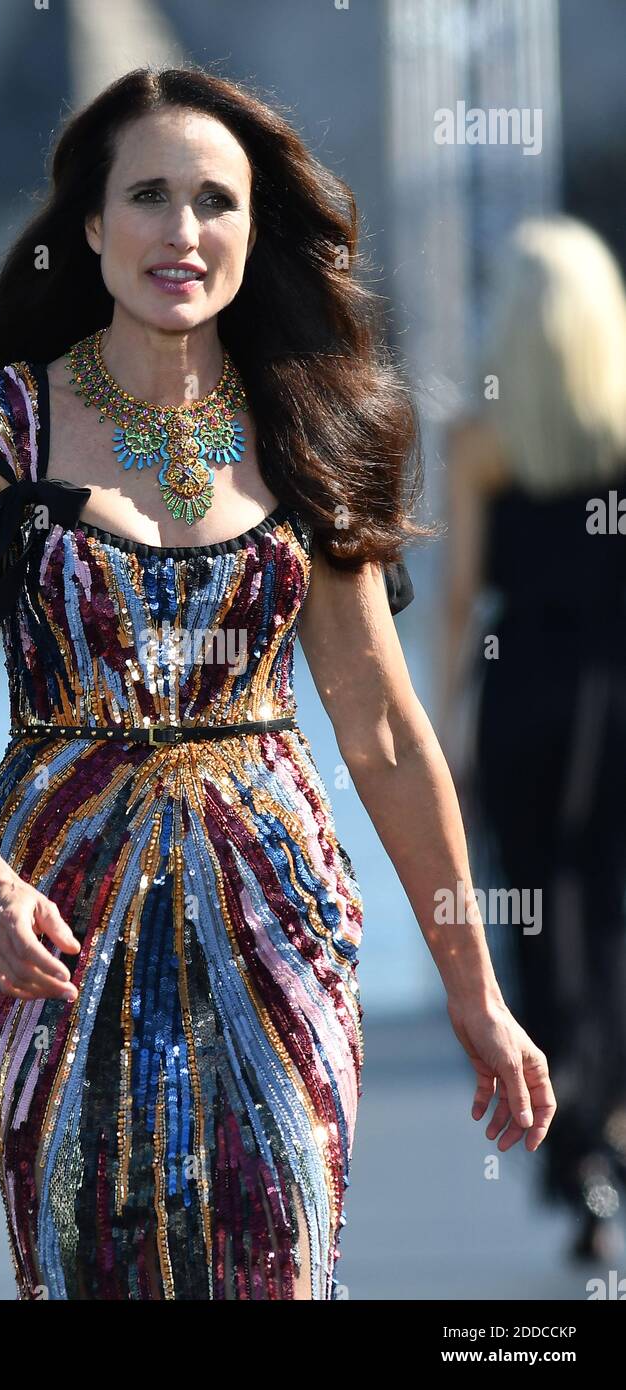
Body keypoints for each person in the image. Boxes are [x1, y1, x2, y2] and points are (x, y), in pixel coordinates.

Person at [0, 65, 554, 1300]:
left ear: (250, 228)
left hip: (280, 926)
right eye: (150, 196)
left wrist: (474, 990)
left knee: (278, 1263)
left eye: (214, 201)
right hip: (55, 928)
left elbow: (383, 733)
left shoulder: (310, 429)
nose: (182, 231)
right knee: (85, 1266)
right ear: (90, 224)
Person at [442, 215, 626, 1262]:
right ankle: (607, 1116)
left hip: (523, 694)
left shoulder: (480, 439)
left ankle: (575, 1160)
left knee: (537, 911)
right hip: (616, 689)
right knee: (609, 904)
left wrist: (443, 720)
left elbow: (459, 598)